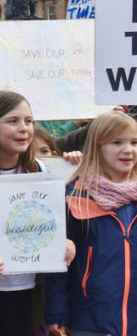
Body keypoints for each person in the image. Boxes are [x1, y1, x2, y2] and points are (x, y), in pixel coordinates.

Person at [0, 91, 74, 335]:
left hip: (25, 288)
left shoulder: (39, 170)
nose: (24, 128)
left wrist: (64, 243)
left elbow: (52, 223)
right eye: (12, 121)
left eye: (28, 121)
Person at [45, 112, 137, 336]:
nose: (128, 150)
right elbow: (59, 264)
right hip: (89, 321)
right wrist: (56, 313)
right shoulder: (75, 196)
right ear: (96, 147)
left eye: (134, 142)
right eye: (117, 142)